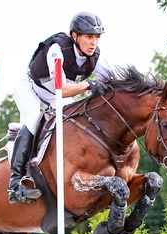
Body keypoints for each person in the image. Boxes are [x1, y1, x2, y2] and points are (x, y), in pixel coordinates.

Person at [8, 11, 110, 204]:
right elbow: (60, 88)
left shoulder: (95, 56)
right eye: (89, 37)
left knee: (76, 122)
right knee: (32, 119)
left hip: (56, 97)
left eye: (97, 37)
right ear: (75, 36)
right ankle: (14, 185)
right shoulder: (58, 49)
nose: (93, 42)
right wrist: (89, 86)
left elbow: (111, 79)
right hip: (32, 90)